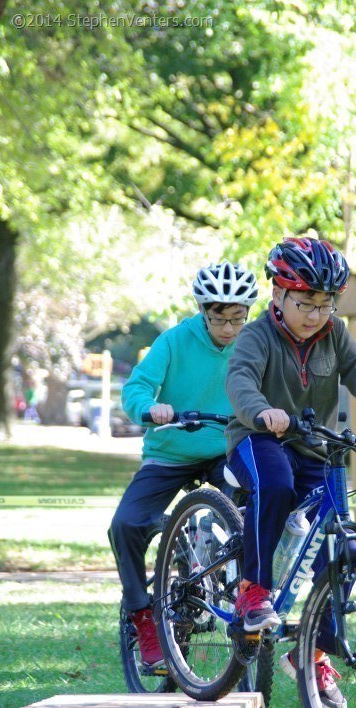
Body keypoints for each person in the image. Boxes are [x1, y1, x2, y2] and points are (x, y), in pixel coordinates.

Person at [225, 236, 356, 708]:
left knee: (337, 541)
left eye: (325, 304)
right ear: (278, 295)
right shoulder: (258, 336)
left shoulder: (333, 335)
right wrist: (262, 412)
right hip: (257, 438)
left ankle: (312, 653)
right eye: (305, 303)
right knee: (274, 485)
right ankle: (252, 591)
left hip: (311, 444)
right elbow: (239, 379)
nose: (316, 314)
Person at [109, 261, 258, 668]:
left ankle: (243, 592)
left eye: (237, 318)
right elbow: (137, 386)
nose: (228, 328)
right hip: (172, 450)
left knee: (258, 509)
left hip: (226, 448)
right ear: (202, 310)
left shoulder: (255, 343)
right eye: (218, 318)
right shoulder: (174, 341)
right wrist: (150, 408)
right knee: (126, 524)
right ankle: (142, 614)